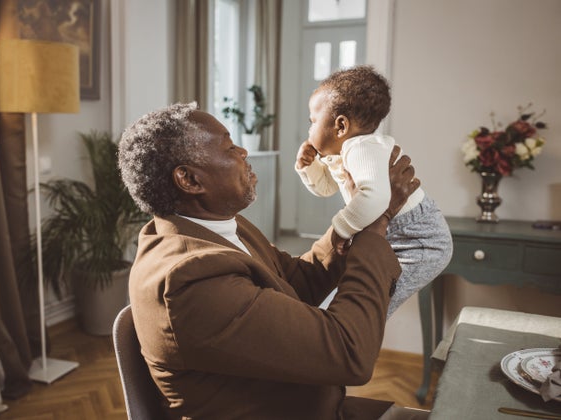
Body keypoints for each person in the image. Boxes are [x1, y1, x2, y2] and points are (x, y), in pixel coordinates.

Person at [118, 102, 428, 419]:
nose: (243, 152)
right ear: (190, 179)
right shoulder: (190, 279)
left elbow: (294, 280)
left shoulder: (215, 226)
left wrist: (355, 216)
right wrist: (377, 225)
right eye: (228, 147)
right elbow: (349, 352)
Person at [295, 65, 453, 317]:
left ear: (340, 126)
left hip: (418, 240)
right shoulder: (350, 150)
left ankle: (343, 345)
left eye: (313, 121)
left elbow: (375, 199)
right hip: (395, 235)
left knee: (369, 309)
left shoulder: (361, 148)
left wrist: (339, 231)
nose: (309, 130)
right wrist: (309, 167)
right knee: (353, 304)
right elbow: (325, 188)